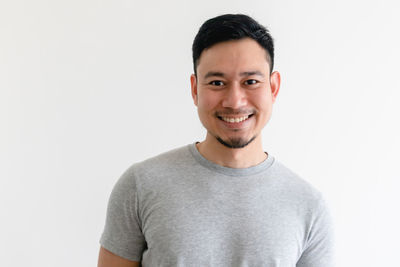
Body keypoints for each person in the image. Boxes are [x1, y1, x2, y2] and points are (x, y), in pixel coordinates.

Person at [97, 14, 334, 267]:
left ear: (273, 87)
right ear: (195, 89)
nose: (234, 101)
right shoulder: (141, 185)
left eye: (251, 82)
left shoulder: (308, 206)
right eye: (217, 82)